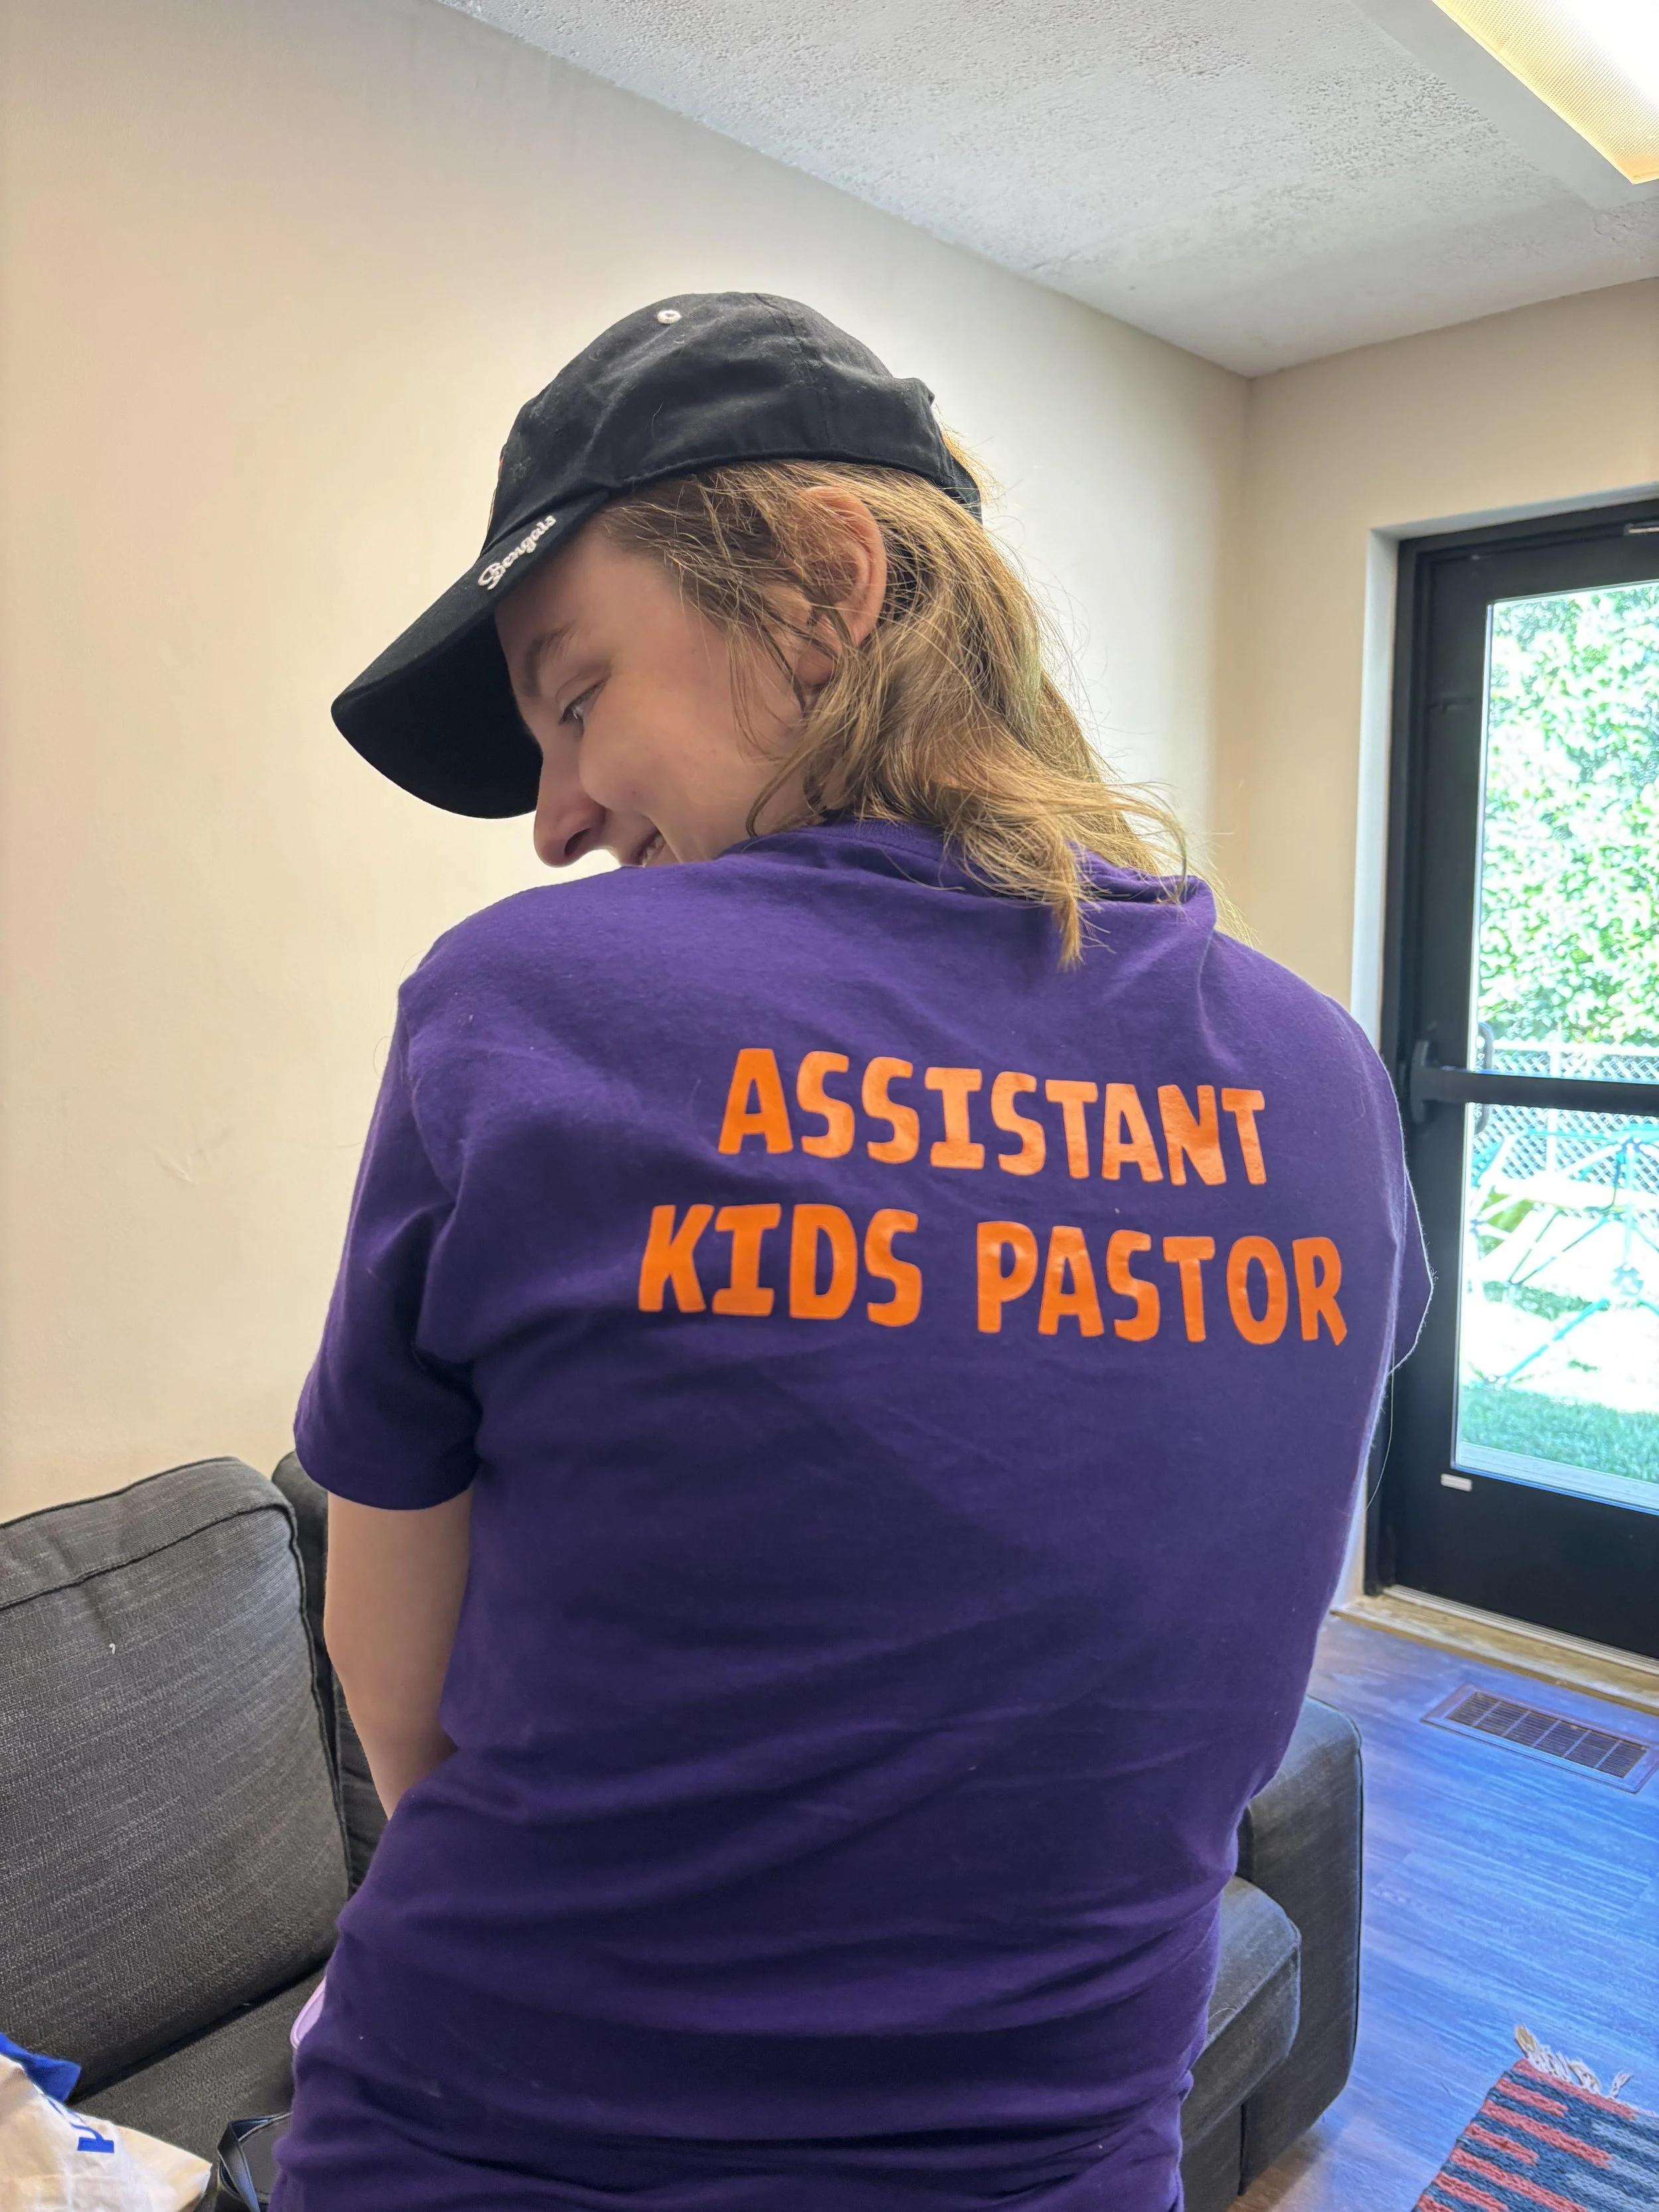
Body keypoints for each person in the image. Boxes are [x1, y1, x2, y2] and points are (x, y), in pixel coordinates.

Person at [271, 293, 1429, 2212]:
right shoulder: (1314, 1074)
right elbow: (1199, 1615)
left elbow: (399, 1693)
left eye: (572, 698)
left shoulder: (523, 1007)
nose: (552, 819)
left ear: (825, 582)